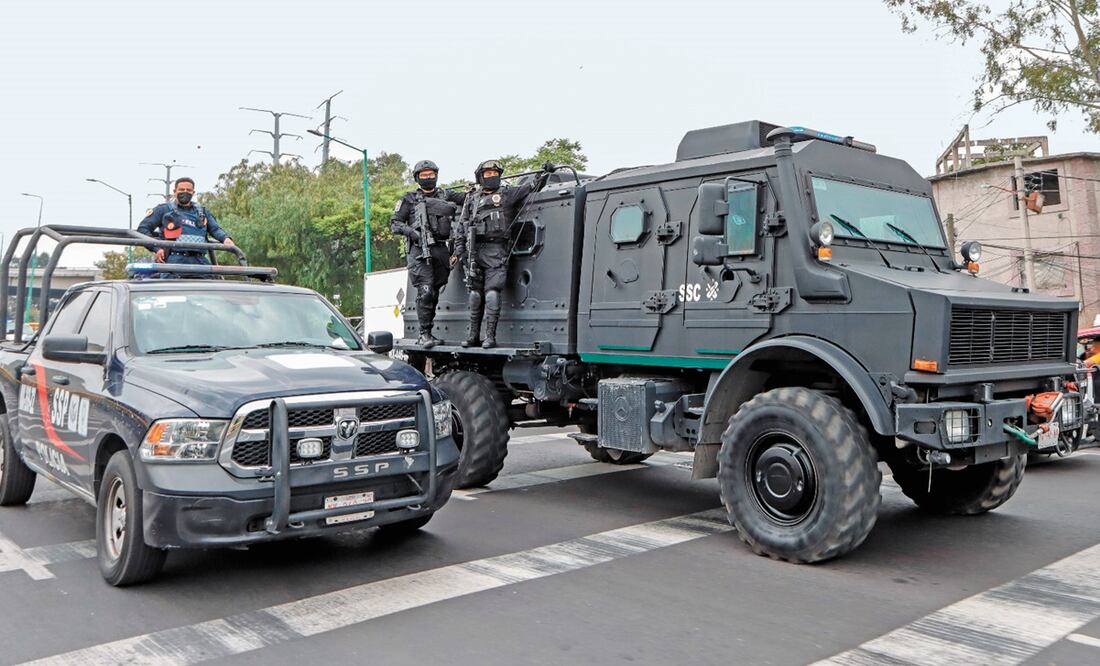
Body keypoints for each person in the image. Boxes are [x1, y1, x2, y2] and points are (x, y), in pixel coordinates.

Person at [454, 159, 554, 348]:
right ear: (480, 177)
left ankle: (490, 337)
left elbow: (533, 186)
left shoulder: (507, 194)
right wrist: (460, 249)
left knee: (492, 293)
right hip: (474, 251)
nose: (491, 177)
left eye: (495, 174)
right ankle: (473, 336)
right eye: (487, 174)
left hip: (496, 250)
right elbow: (461, 226)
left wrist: (545, 172)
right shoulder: (472, 199)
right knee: (475, 294)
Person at [390, 160, 467, 348]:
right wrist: (413, 233)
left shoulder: (446, 194)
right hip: (418, 250)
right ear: (417, 178)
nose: (428, 178)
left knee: (435, 291)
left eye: (430, 175)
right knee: (425, 290)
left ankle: (429, 331)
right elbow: (395, 223)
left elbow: (466, 199)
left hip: (441, 249)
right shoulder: (408, 199)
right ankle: (424, 334)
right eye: (423, 176)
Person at [138, 177, 234, 266]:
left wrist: (226, 239)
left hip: (200, 262)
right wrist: (157, 248)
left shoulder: (203, 212)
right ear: (174, 192)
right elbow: (143, 229)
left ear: (193, 192)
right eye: (181, 190)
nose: (185, 192)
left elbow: (215, 229)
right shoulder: (163, 210)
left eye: (188, 190)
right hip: (172, 262)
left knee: (212, 282)